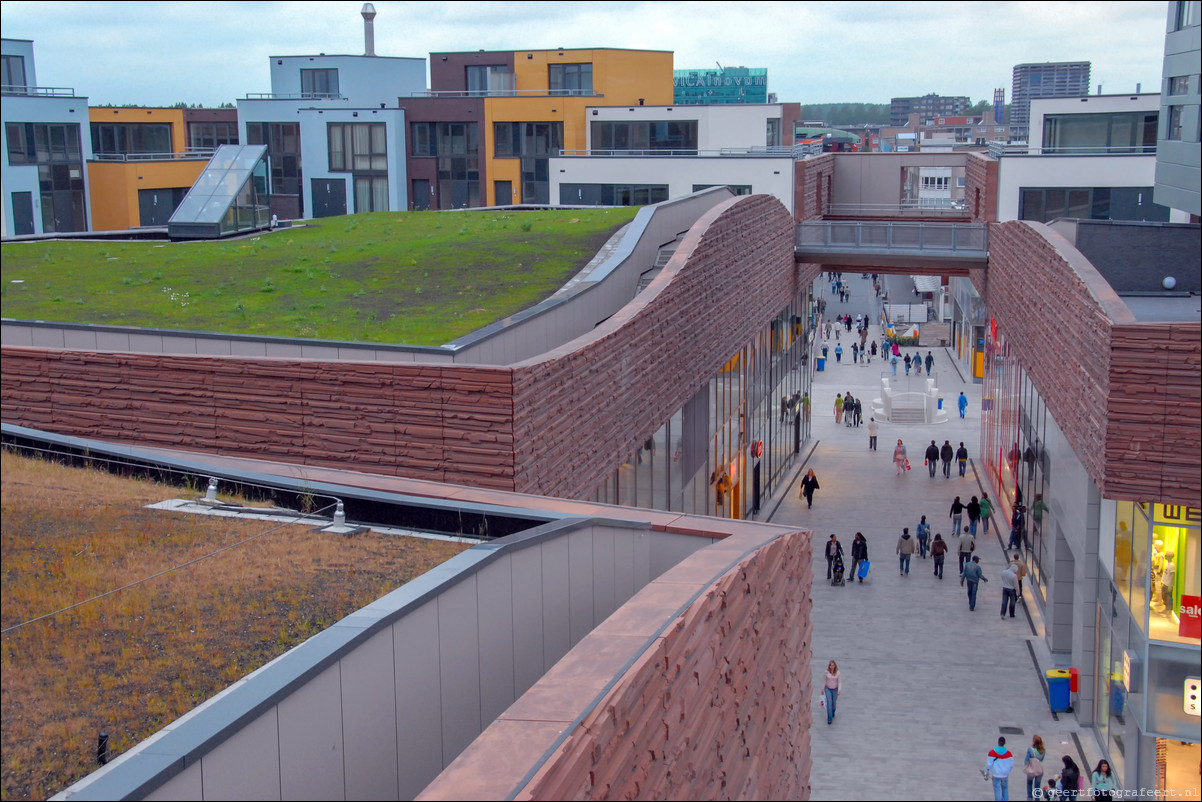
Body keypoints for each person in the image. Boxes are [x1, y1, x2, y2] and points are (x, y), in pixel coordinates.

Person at [986, 736, 1015, 801]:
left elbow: (989, 764)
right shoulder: (1009, 754)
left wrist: (986, 772)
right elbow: (1011, 765)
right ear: (1004, 743)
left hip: (996, 774)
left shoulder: (992, 752)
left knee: (997, 789)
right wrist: (1007, 771)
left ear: (998, 742)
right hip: (1005, 774)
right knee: (1005, 788)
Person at [1023, 735, 1046, 801]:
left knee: (1029, 784)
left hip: (1031, 770)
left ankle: (1030, 798)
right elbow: (1041, 760)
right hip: (1039, 770)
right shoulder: (1043, 750)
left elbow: (1026, 761)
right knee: (1037, 786)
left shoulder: (1030, 750)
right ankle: (1037, 799)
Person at [823, 660, 841, 725]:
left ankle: (833, 712)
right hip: (828, 689)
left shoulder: (838, 673)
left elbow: (839, 682)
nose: (832, 666)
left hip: (835, 689)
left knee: (834, 703)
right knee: (829, 703)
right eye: (830, 665)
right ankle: (829, 719)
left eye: (833, 665)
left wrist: (839, 690)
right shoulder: (826, 672)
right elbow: (824, 681)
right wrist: (822, 689)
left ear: (835, 666)